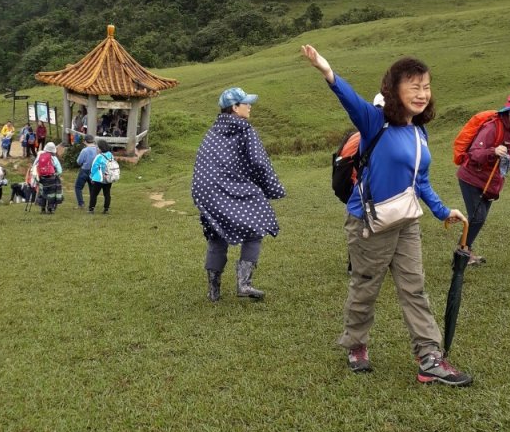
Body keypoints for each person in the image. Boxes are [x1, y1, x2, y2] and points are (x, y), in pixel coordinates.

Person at [301, 44, 472, 387]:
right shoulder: (374, 121)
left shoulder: (419, 132)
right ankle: (356, 345)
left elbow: (419, 180)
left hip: (407, 221)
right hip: (369, 222)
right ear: (394, 89)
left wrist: (441, 210)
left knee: (415, 288)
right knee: (366, 287)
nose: (422, 94)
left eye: (425, 86)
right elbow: (348, 98)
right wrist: (326, 70)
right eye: (414, 86)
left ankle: (430, 359)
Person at [191, 87, 286, 302]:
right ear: (234, 107)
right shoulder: (244, 129)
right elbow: (259, 163)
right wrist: (273, 189)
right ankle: (244, 283)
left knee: (217, 233)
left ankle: (213, 291)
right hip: (227, 188)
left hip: (204, 190)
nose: (250, 106)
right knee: (257, 226)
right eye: (246, 103)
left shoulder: (212, 131)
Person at [457, 93, 510, 266]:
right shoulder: (492, 128)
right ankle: (461, 254)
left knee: (478, 218)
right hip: (471, 178)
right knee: (478, 217)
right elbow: (473, 154)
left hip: (491, 182)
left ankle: (464, 251)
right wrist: (492, 151)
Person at [35, 141, 63, 213]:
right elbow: (60, 170)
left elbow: (35, 166)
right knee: (51, 193)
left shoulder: (40, 156)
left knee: (42, 193)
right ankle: (50, 208)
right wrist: (56, 174)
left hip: (41, 178)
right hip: (51, 178)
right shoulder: (54, 157)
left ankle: (42, 209)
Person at [89, 139, 115, 214]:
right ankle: (106, 209)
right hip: (108, 177)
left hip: (99, 178)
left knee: (94, 194)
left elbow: (94, 167)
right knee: (107, 194)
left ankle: (91, 209)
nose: (97, 149)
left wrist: (91, 176)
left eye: (97, 147)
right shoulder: (110, 155)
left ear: (101, 148)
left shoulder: (99, 157)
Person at [75, 133, 97, 208]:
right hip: (94, 171)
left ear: (85, 141)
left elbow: (79, 161)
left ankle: (81, 204)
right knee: (92, 188)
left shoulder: (84, 150)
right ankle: (92, 204)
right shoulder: (97, 150)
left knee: (78, 187)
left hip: (84, 170)